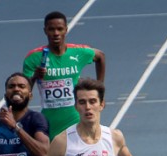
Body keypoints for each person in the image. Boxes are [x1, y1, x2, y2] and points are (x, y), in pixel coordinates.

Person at [22, 10, 105, 140]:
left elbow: (100, 56)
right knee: (52, 151)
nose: (56, 33)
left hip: (76, 117)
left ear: (66, 30)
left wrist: (99, 88)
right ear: (45, 31)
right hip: (49, 120)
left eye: (60, 29)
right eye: (51, 29)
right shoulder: (34, 57)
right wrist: (35, 77)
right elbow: (24, 92)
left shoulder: (77, 52)